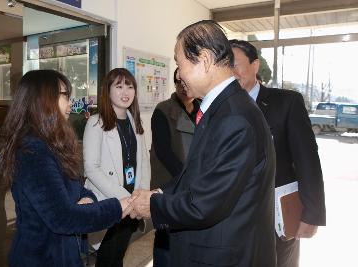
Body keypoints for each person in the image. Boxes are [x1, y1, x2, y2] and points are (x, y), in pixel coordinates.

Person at [129, 20, 277, 267]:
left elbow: (205, 205)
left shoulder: (234, 118)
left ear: (205, 60)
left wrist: (153, 204)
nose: (178, 74)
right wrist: (161, 192)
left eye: (180, 64)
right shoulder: (222, 109)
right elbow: (201, 175)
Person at [0, 69, 131, 267]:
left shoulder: (52, 144)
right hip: (41, 258)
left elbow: (80, 189)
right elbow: (63, 217)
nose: (70, 103)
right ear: (42, 98)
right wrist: (118, 207)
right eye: (65, 96)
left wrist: (88, 198)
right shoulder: (32, 151)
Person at [230, 39, 326, 267]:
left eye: (235, 64)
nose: (230, 72)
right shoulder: (221, 108)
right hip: (233, 219)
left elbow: (308, 161)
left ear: (254, 65)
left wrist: (312, 214)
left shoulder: (287, 102)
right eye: (225, 65)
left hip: (277, 216)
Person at [83, 68, 150, 267]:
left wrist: (141, 195)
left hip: (133, 201)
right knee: (107, 257)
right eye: (119, 86)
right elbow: (91, 167)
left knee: (118, 255)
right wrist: (126, 198)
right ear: (108, 91)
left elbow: (144, 162)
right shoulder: (96, 122)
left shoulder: (135, 122)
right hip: (109, 201)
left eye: (130, 87)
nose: (125, 92)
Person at [150, 67, 200, 266]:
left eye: (187, 82)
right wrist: (185, 176)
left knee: (186, 234)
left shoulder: (202, 109)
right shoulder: (163, 110)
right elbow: (163, 151)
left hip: (194, 183)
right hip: (169, 181)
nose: (183, 87)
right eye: (179, 82)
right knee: (165, 235)